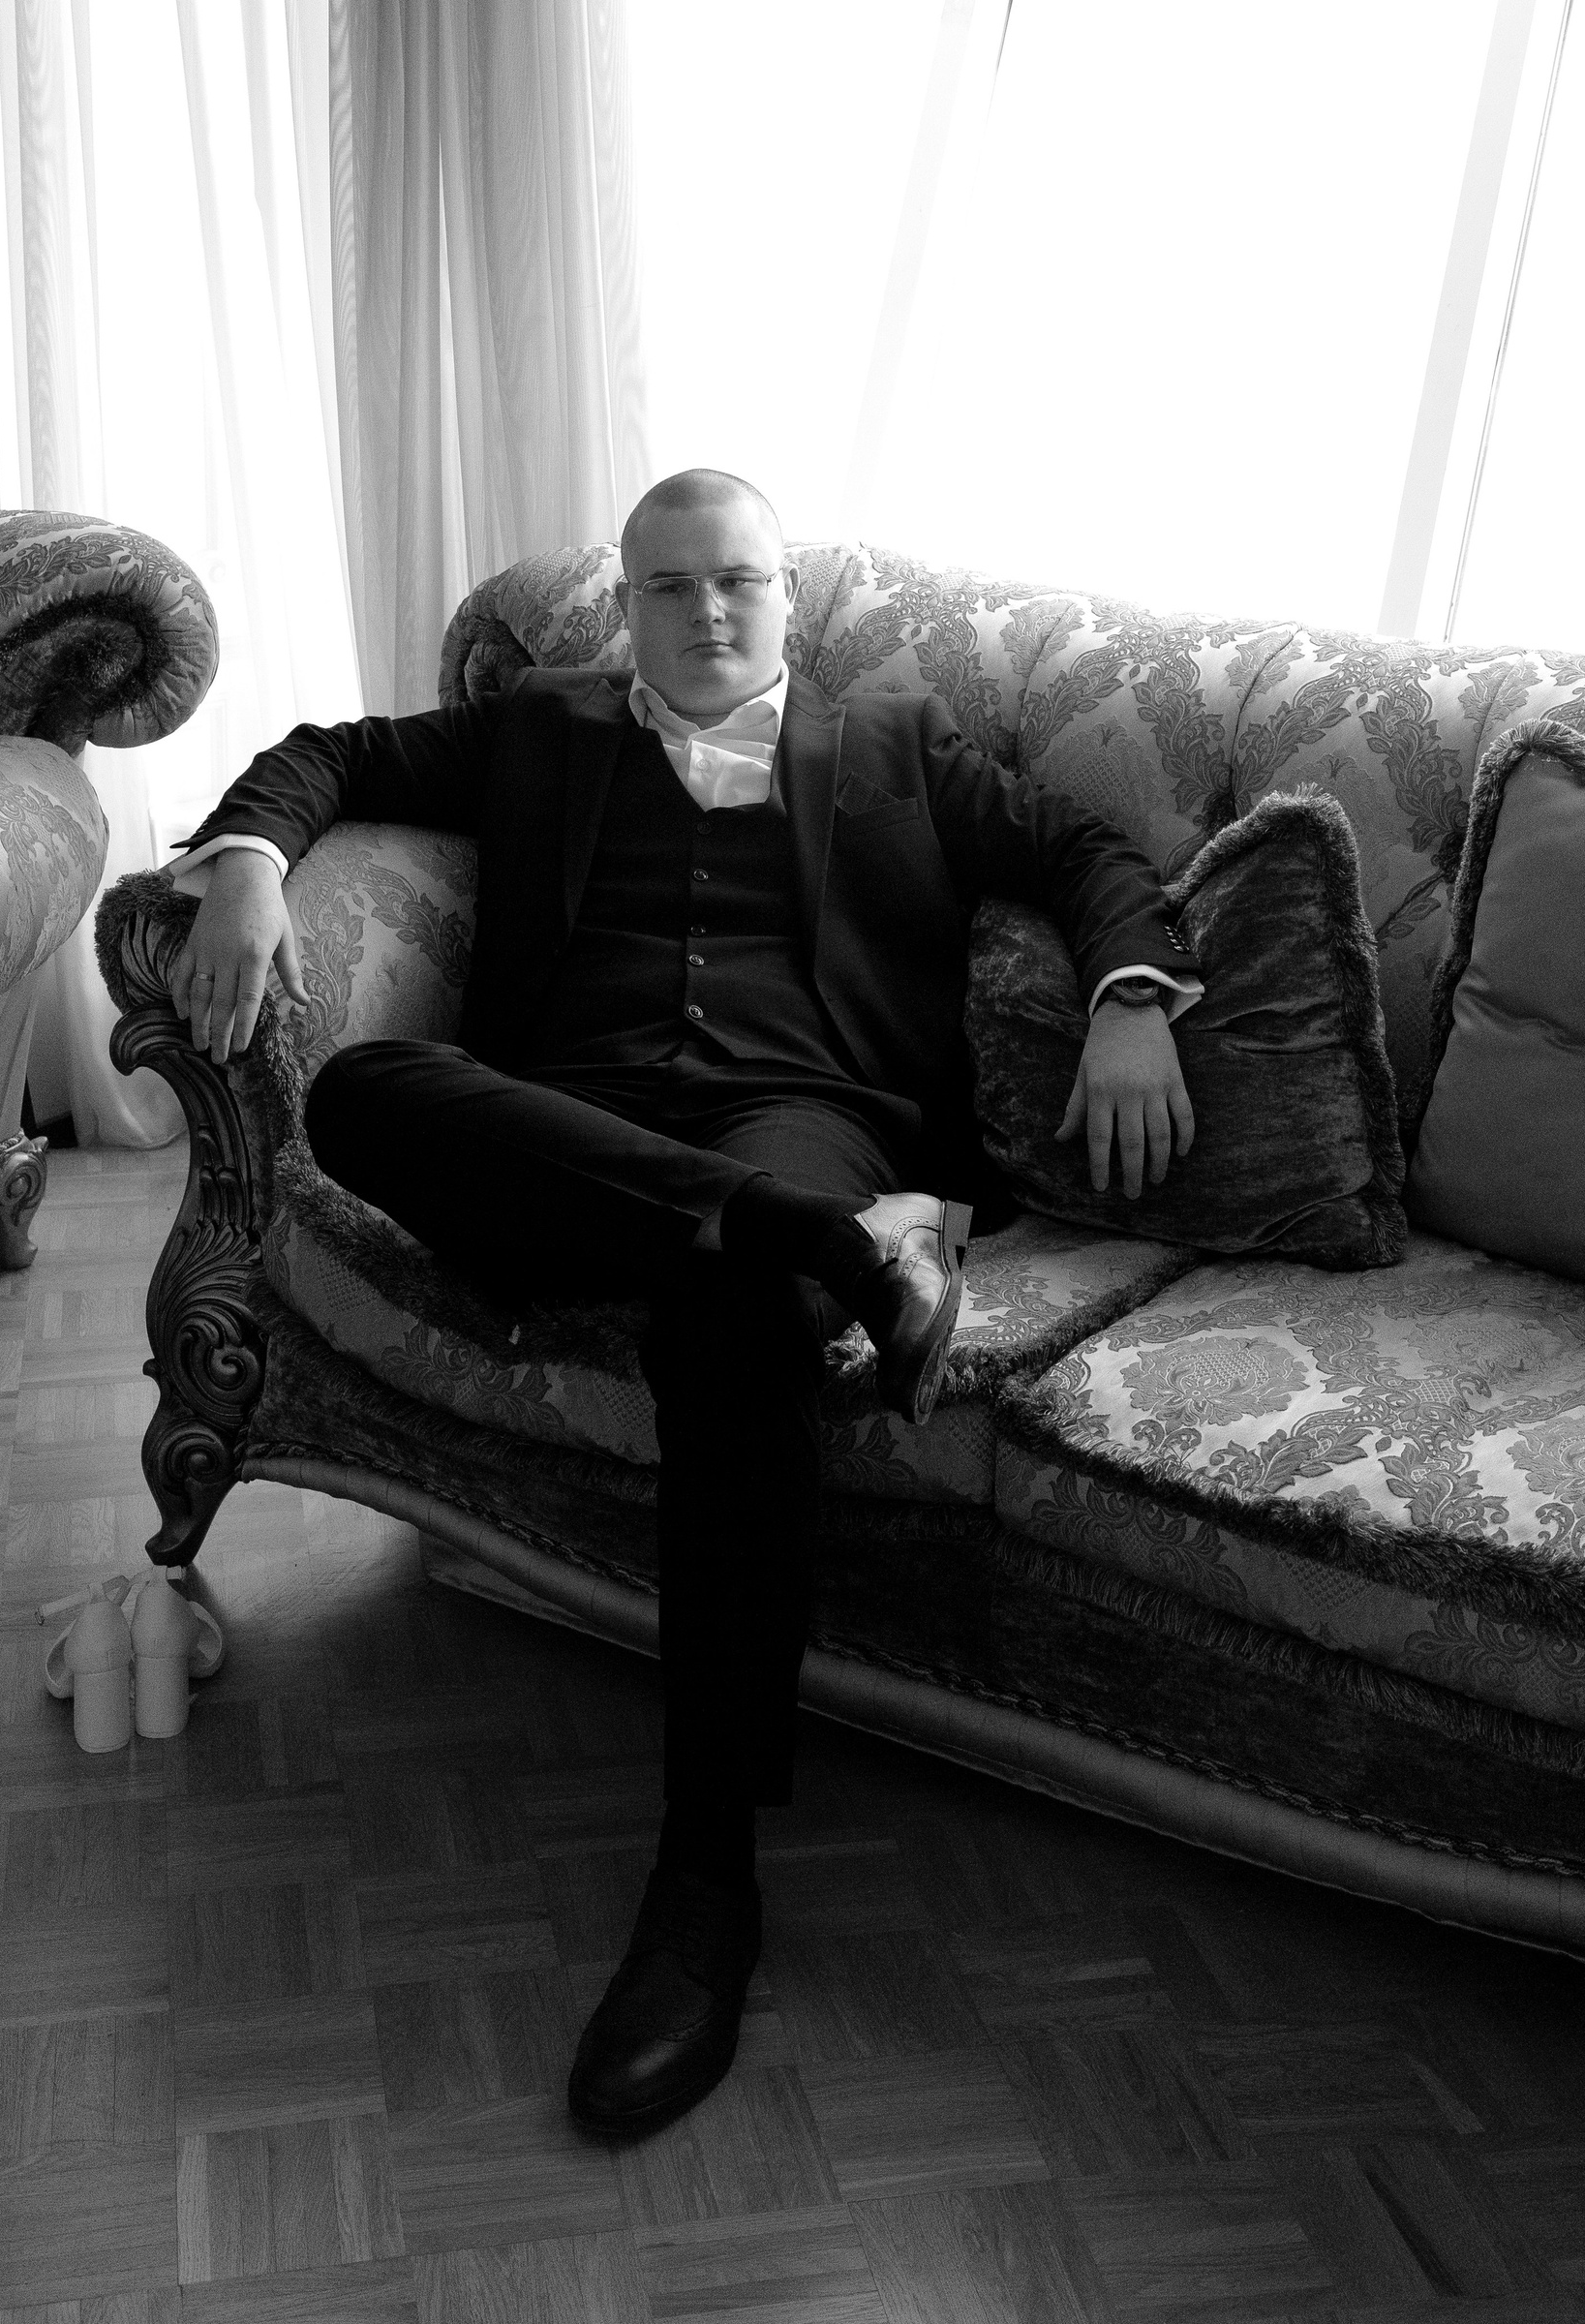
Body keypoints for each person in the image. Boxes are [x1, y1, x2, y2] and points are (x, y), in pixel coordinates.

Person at [168, 469, 1200, 2131]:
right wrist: (244, 864)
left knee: (729, 1322)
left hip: (802, 1115)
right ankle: (842, 1250)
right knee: (356, 1090)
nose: (709, 611)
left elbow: (1085, 851)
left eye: (739, 582)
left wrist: (1132, 999)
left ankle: (705, 1879)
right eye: (670, 586)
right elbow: (331, 757)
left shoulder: (901, 745)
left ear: (787, 598)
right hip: (570, 1130)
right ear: (627, 605)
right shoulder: (539, 727)